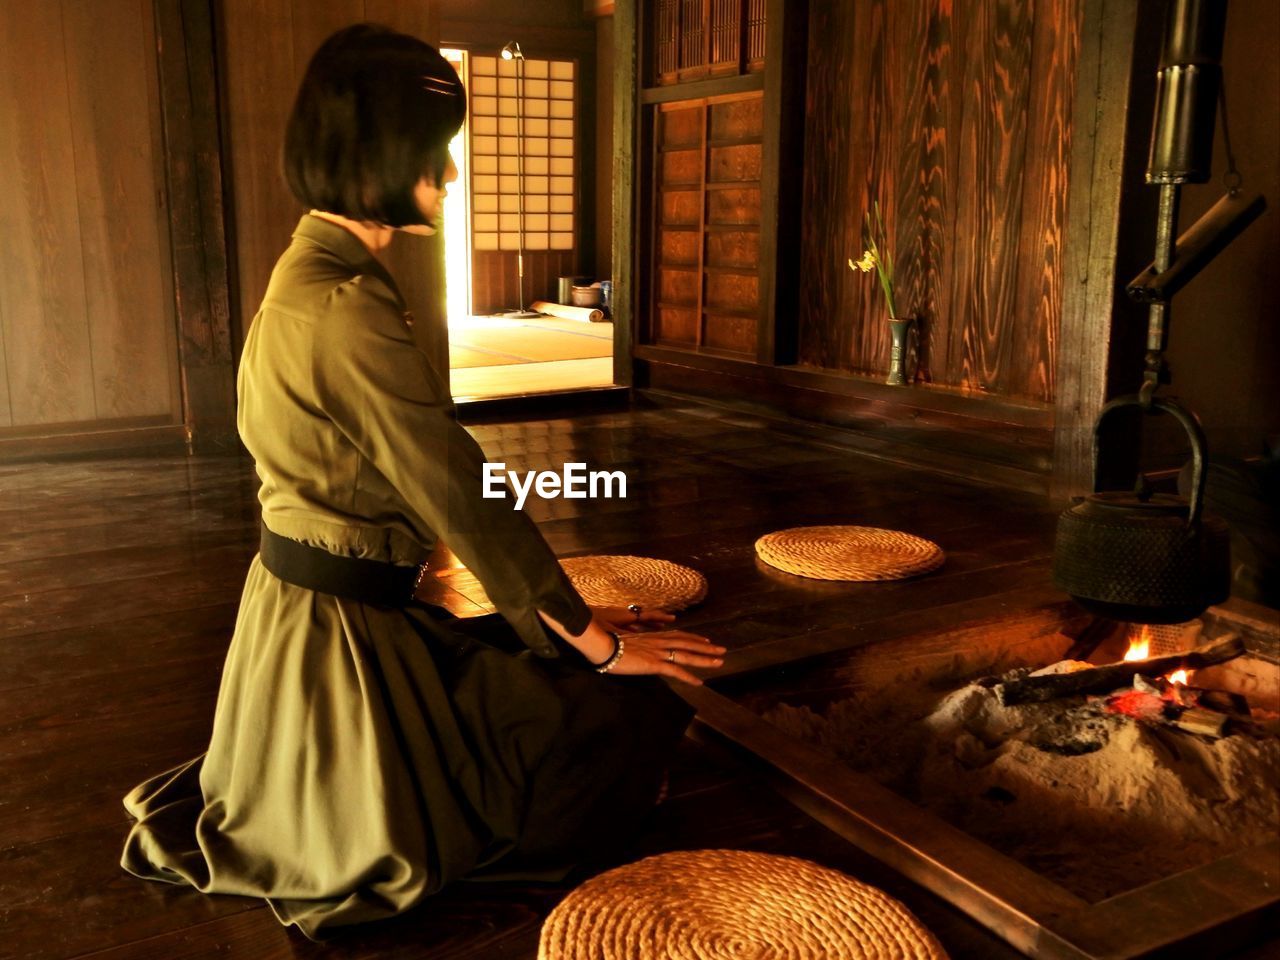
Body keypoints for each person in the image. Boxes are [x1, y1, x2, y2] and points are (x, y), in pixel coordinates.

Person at [120, 24, 725, 940]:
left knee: (530, 674)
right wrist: (591, 639)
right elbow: (464, 492)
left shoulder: (306, 269)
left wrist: (557, 628)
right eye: (434, 155)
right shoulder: (345, 306)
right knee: (614, 715)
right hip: (343, 643)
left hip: (297, 616)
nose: (449, 178)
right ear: (375, 159)